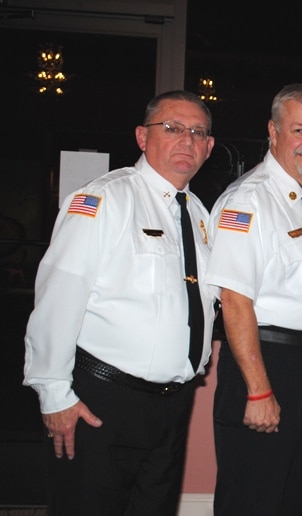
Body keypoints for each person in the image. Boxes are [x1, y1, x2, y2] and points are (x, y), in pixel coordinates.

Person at [23, 90, 218, 515]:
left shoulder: (199, 215)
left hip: (172, 406)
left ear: (209, 147)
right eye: (172, 128)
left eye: (197, 132)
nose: (186, 140)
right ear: (142, 138)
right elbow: (59, 296)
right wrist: (53, 392)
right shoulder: (105, 200)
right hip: (103, 401)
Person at [205, 83, 302, 515]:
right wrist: (259, 389)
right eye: (299, 130)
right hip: (264, 364)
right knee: (252, 498)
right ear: (273, 131)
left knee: (287, 498)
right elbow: (234, 301)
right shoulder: (249, 200)